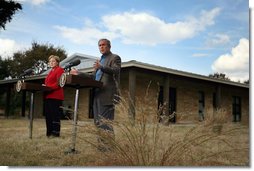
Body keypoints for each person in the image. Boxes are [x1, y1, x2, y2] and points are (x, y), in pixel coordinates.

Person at [71, 38, 121, 150]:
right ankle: (102, 147)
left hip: (107, 95)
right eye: (99, 45)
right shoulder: (100, 61)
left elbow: (116, 71)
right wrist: (78, 73)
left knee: (106, 123)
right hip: (97, 94)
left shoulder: (115, 58)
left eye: (104, 45)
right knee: (98, 122)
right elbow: (93, 77)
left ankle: (109, 148)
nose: (101, 47)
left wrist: (101, 67)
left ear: (109, 46)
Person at [43, 55, 64, 138]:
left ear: (57, 62)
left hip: (56, 96)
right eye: (50, 61)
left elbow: (59, 83)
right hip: (48, 96)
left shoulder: (60, 70)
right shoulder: (50, 72)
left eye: (53, 61)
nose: (51, 63)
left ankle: (55, 133)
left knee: (55, 115)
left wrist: (49, 87)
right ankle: (49, 133)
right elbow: (48, 83)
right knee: (48, 115)